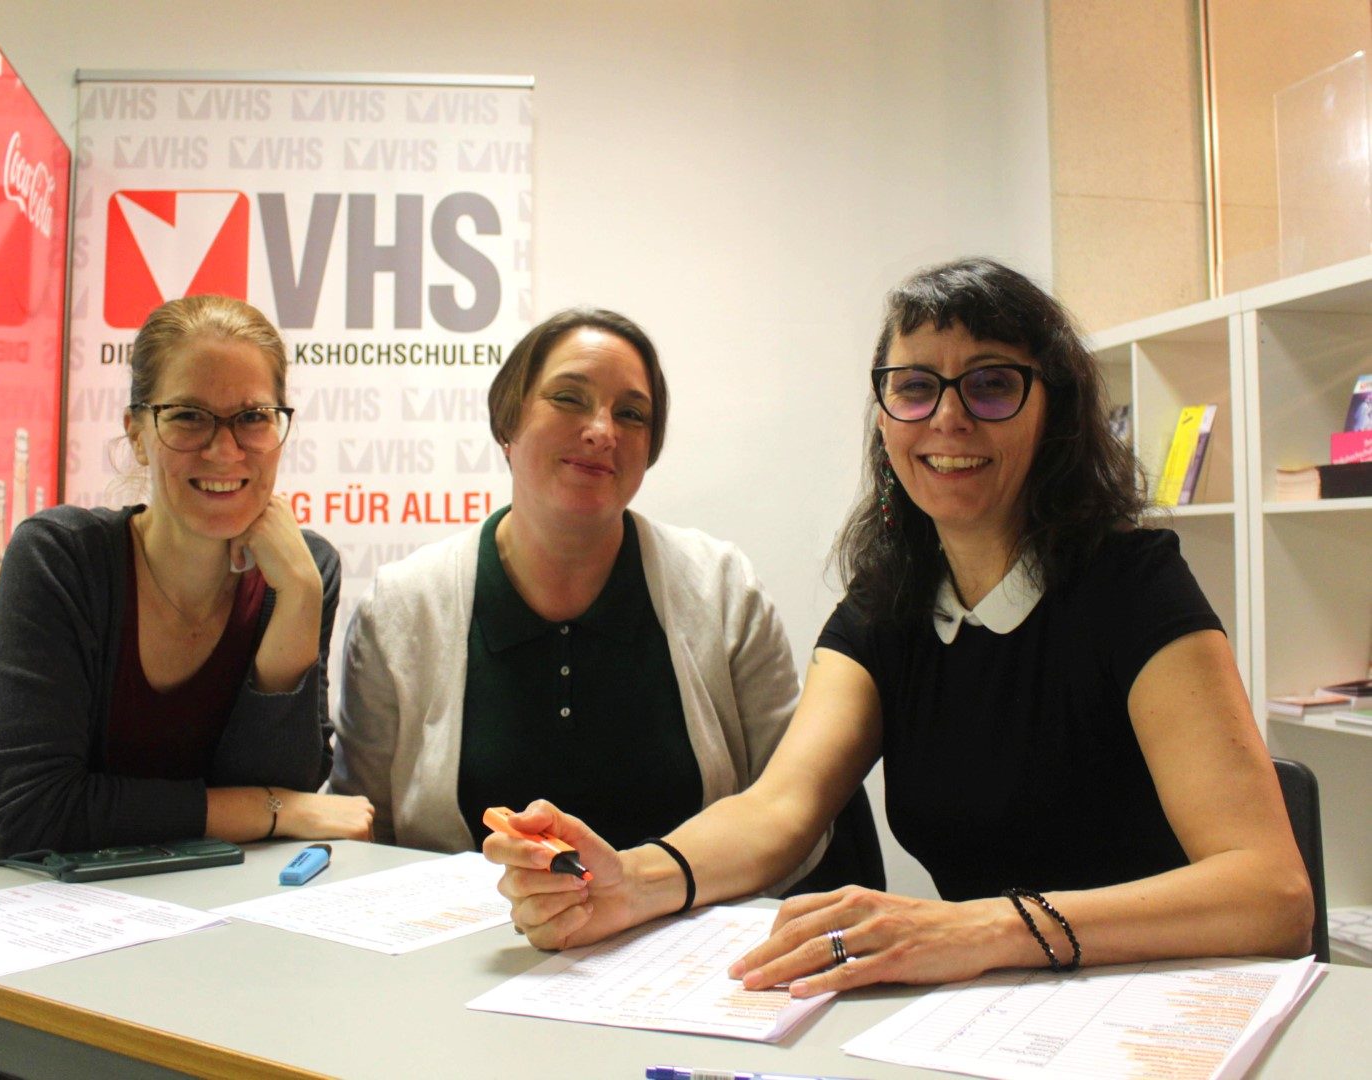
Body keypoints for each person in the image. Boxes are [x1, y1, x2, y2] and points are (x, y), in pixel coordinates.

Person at [486, 259, 1313, 996]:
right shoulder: (888, 605)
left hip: (1163, 1003)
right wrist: (632, 881)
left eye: (992, 385)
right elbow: (778, 809)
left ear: (1052, 412)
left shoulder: (1133, 587)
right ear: (885, 417)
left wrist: (981, 929)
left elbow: (1271, 895)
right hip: (994, 1013)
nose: (948, 418)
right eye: (915, 387)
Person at [332, 307, 807, 867]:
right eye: (568, 398)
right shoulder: (401, 607)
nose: (603, 431)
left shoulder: (725, 592)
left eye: (631, 414)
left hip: (686, 921)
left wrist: (644, 886)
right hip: (465, 927)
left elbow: (797, 820)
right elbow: (361, 835)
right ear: (506, 423)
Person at [0, 295, 373, 877]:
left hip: (195, 905)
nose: (224, 449)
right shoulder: (60, 559)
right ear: (137, 433)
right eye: (188, 416)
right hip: (11, 905)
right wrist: (269, 810)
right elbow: (27, 814)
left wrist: (302, 597)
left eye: (253, 417)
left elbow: (285, 782)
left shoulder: (303, 571)